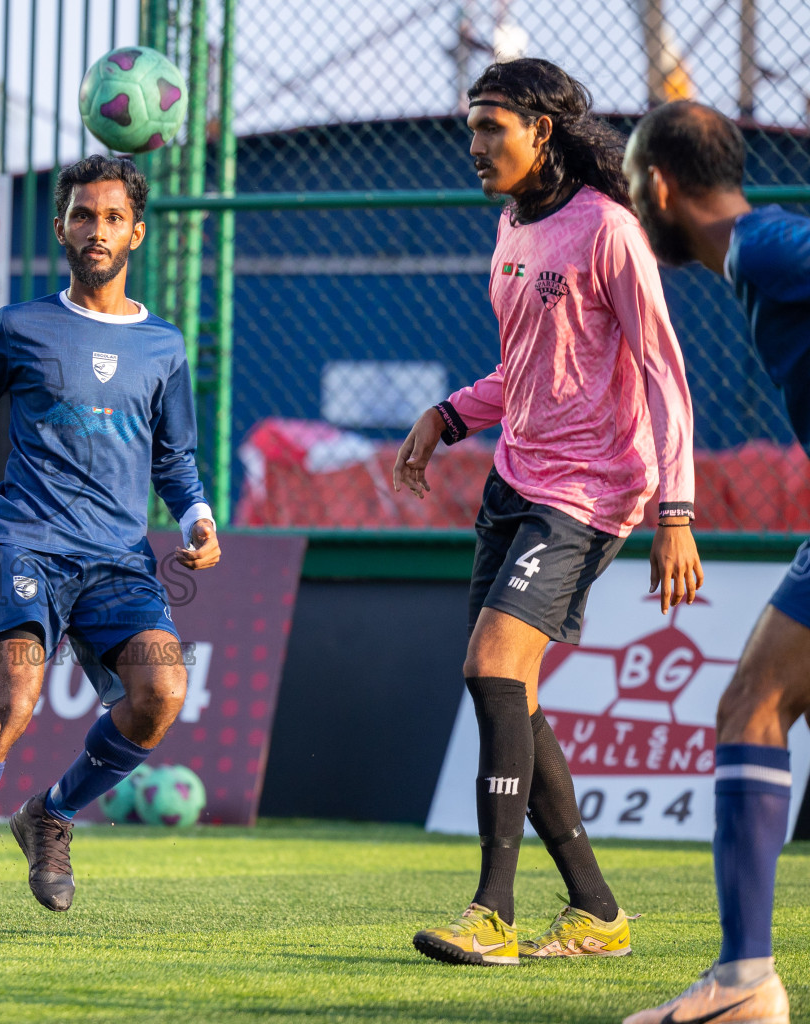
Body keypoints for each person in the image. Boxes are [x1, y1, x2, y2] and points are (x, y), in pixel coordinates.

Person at [393, 58, 703, 966]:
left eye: (494, 126)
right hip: (515, 480)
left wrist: (674, 511)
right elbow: (524, 373)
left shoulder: (609, 230)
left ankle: (490, 914)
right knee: (509, 690)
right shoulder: (512, 226)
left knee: (492, 667)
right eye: (473, 125)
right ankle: (597, 913)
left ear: (545, 131)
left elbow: (664, 377)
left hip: (591, 492)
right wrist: (448, 414)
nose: (477, 143)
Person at [0, 154, 220, 926]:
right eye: (83, 215)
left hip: (119, 560)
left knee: (161, 696)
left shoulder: (163, 346)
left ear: (138, 231)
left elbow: (174, 458)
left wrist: (197, 517)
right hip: (28, 542)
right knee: (15, 697)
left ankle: (49, 816)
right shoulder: (20, 327)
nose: (97, 230)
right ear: (61, 226)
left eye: (113, 217)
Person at [617, 100, 806, 1024]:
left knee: (753, 705)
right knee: (755, 703)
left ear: (658, 187)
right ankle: (746, 980)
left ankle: (744, 982)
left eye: (627, 183)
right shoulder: (755, 256)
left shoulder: (768, 246)